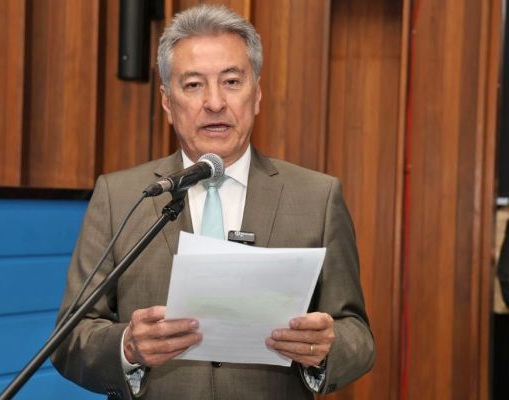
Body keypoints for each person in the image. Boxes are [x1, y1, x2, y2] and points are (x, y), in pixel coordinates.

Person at [51, 5, 374, 399]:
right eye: (193, 85)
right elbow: (71, 338)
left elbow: (357, 335)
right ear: (168, 103)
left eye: (232, 81)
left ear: (257, 95)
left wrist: (324, 348)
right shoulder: (121, 197)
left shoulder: (317, 198)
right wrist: (128, 347)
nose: (215, 102)